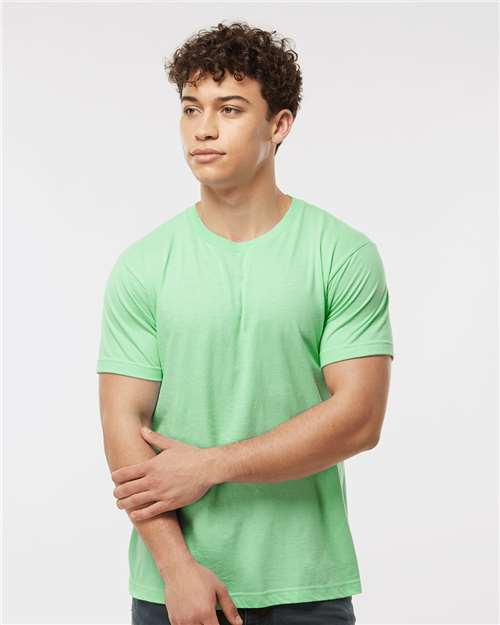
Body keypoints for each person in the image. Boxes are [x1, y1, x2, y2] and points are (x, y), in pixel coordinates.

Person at [96, 20, 394, 625]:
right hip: (175, 587)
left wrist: (210, 465)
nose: (203, 128)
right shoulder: (144, 265)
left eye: (229, 109)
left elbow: (360, 419)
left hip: (306, 585)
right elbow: (124, 424)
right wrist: (176, 570)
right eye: (191, 108)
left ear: (278, 125)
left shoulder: (341, 254)